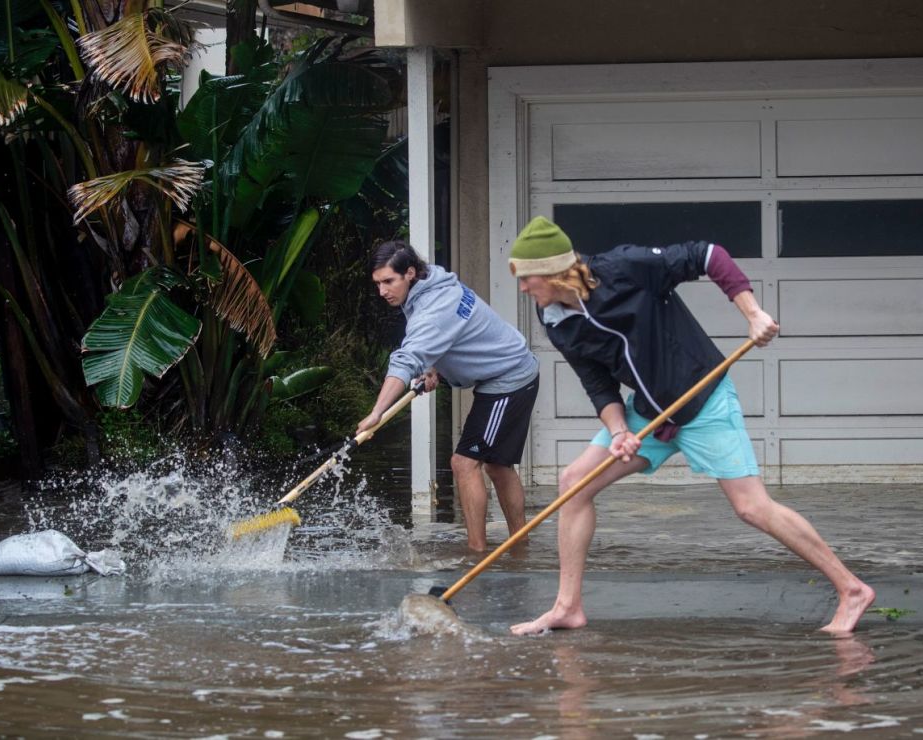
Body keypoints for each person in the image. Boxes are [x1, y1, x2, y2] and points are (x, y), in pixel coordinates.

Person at [506, 216, 874, 635]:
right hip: (649, 412)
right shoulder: (554, 318)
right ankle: (567, 607)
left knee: (751, 507)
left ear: (557, 272)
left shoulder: (625, 268)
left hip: (702, 399)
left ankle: (852, 589)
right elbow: (597, 383)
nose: (523, 289)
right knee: (574, 483)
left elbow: (708, 254)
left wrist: (752, 314)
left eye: (528, 278)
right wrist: (621, 430)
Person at [358, 241, 540, 551]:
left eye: (389, 281)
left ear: (411, 273)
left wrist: (376, 413)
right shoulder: (433, 283)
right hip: (507, 369)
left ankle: (476, 553)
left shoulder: (432, 308)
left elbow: (408, 356)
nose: (382, 291)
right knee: (497, 465)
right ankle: (519, 546)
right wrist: (432, 366)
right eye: (377, 283)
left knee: (463, 463)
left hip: (508, 377)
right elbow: (446, 336)